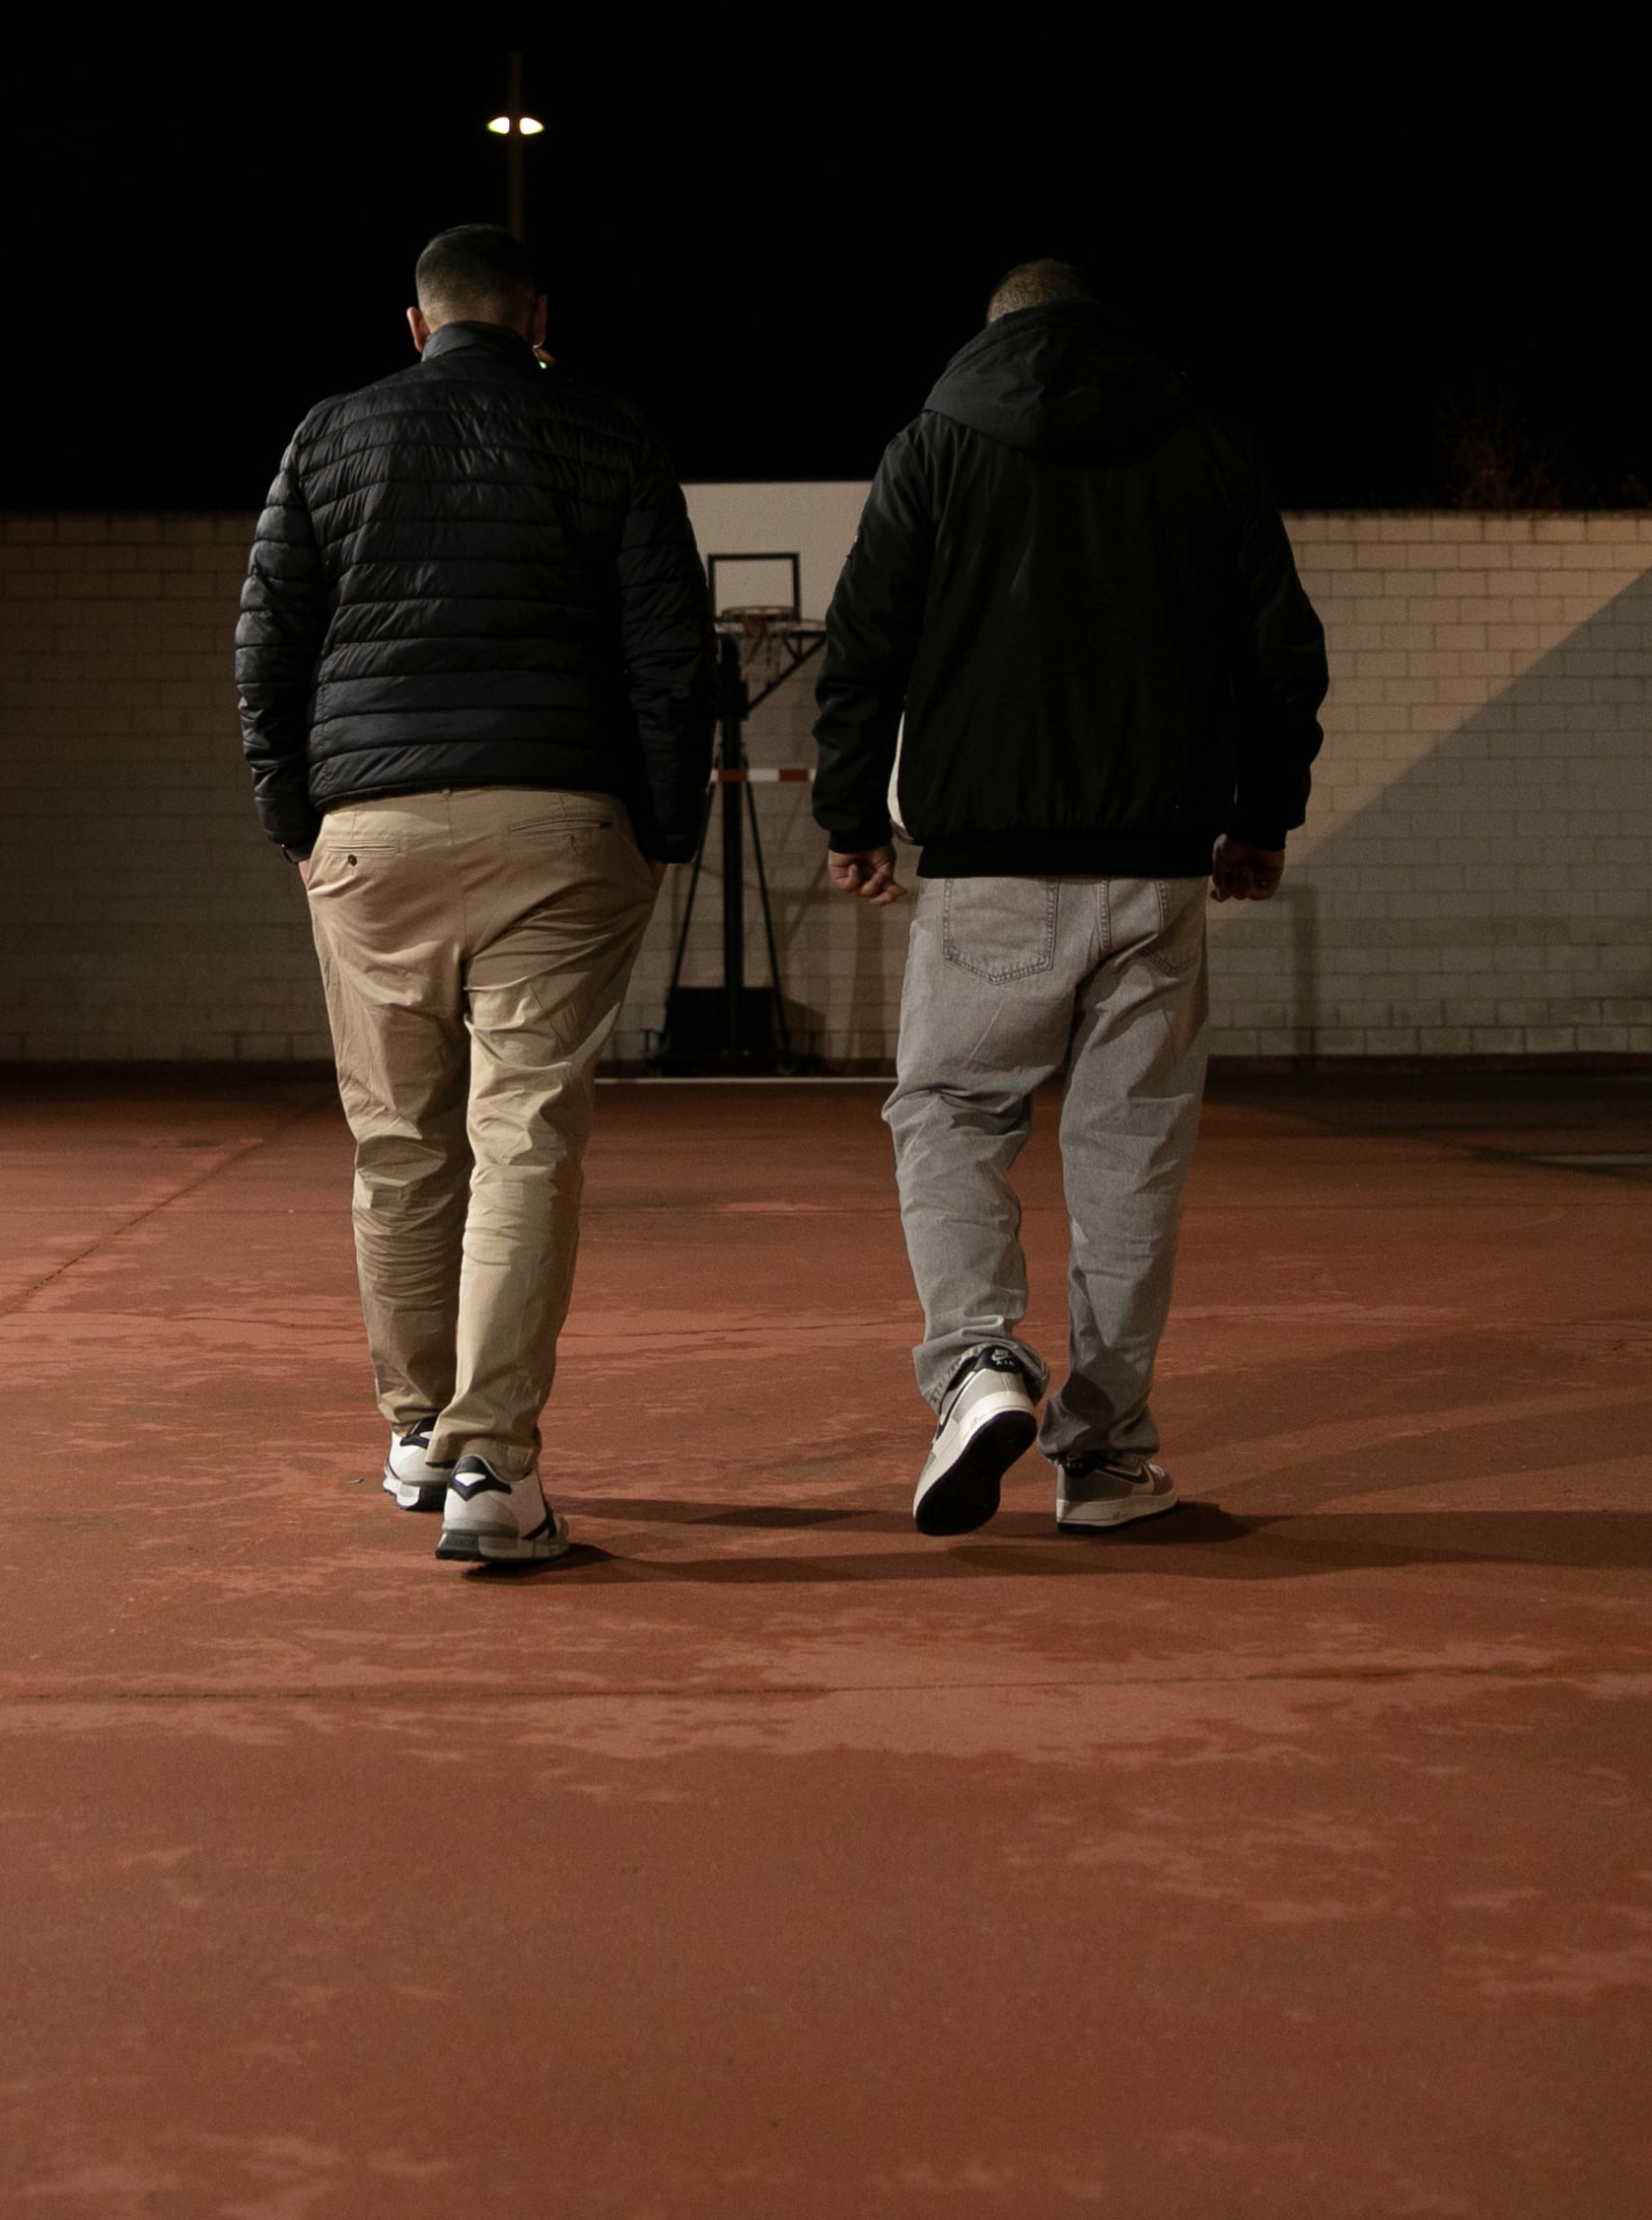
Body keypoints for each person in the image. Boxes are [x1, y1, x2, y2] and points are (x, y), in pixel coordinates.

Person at [813, 258, 1329, 1536]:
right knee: (1129, 1160)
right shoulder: (1204, 451)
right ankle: (1102, 1457)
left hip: (986, 870)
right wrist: (1258, 818)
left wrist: (847, 817)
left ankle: (978, 1364)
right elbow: (1282, 652)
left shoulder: (932, 448)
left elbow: (862, 642)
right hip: (1154, 868)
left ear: (993, 336)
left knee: (948, 1114)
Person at [239, 224, 712, 1570]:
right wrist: (662, 822)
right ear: (538, 319)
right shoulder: (608, 434)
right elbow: (668, 645)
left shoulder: (329, 434)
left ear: (416, 324)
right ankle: (492, 1462)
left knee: (398, 1142)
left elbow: (264, 631)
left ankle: (410, 1432)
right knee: (526, 1134)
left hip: (370, 827)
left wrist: (294, 809)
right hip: (562, 820)